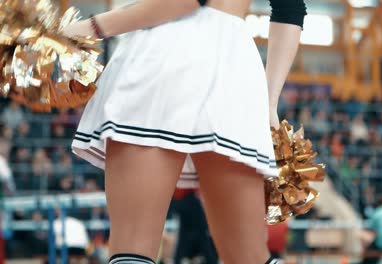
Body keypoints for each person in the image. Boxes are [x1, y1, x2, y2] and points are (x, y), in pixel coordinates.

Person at [62, 0, 306, 263]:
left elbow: (186, 2)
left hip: (163, 52)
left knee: (132, 250)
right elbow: (290, 7)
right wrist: (268, 102)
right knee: (251, 258)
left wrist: (89, 28)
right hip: (235, 65)